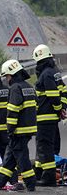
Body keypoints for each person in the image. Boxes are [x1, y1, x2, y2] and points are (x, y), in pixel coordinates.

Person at [0, 59, 37, 192]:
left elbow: (13, 110)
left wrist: (10, 129)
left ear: (12, 75)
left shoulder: (15, 88)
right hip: (28, 128)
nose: (6, 79)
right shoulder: (28, 86)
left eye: (7, 76)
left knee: (22, 158)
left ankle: (31, 183)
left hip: (18, 130)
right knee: (9, 157)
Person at [32, 44, 67, 186]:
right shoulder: (54, 72)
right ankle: (40, 173)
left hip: (45, 116)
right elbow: (63, 92)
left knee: (44, 147)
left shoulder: (46, 74)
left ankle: (49, 178)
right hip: (52, 117)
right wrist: (63, 107)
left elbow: (52, 94)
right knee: (46, 146)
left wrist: (59, 108)